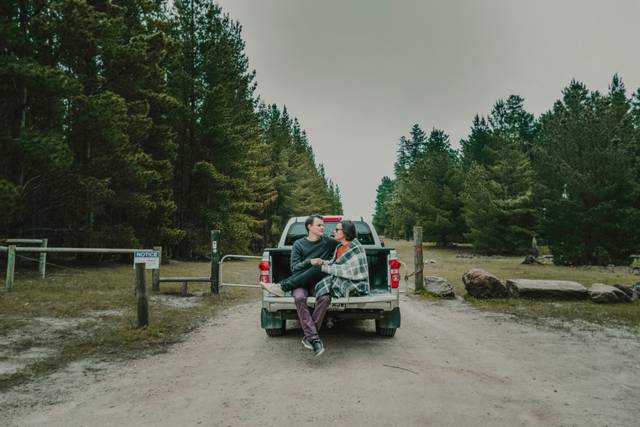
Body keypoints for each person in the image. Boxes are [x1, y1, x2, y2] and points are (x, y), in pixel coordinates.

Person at [262, 215, 339, 356]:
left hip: (318, 282)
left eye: (323, 225)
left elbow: (346, 243)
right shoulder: (298, 244)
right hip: (300, 282)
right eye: (319, 225)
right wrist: (310, 261)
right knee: (299, 297)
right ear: (309, 227)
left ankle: (310, 337)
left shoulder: (329, 242)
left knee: (326, 298)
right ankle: (314, 338)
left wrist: (341, 235)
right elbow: (294, 268)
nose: (323, 227)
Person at [314, 220, 369, 299]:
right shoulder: (339, 247)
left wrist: (324, 268)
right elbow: (334, 263)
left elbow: (350, 270)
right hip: (340, 277)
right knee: (320, 272)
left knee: (328, 278)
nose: (333, 231)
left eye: (336, 230)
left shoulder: (356, 248)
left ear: (345, 232)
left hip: (355, 282)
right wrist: (324, 262)